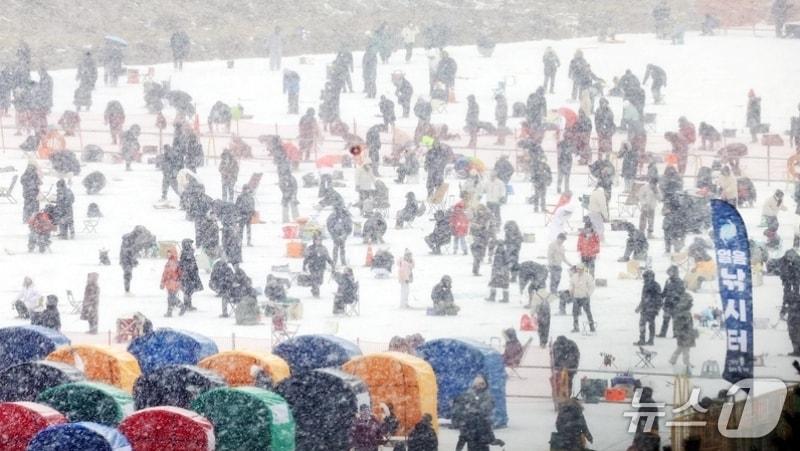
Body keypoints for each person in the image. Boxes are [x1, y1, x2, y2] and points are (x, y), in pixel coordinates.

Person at [668, 292, 696, 373]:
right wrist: (683, 330)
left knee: (680, 348)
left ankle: (672, 360)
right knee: (685, 349)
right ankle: (686, 362)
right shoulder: (683, 312)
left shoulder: (683, 311)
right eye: (690, 302)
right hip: (684, 333)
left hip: (685, 333)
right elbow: (680, 323)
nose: (691, 304)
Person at [780, 249, 800, 355]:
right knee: (794, 325)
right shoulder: (790, 267)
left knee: (793, 325)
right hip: (794, 301)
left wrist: (785, 307)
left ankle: (797, 349)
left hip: (796, 301)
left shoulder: (791, 269)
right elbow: (787, 290)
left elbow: (789, 290)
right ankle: (797, 349)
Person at [634, 270, 662, 346]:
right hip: (645, 309)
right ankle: (642, 340)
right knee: (642, 324)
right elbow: (643, 298)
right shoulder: (646, 285)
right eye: (644, 277)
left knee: (650, 324)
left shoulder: (656, 286)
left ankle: (650, 340)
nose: (645, 278)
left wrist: (657, 308)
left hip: (651, 309)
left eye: (646, 276)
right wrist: (639, 307)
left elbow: (659, 298)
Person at [303, 233, 334, 298]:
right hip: (312, 266)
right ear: (314, 240)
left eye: (320, 240)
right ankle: (316, 292)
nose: (318, 241)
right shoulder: (310, 248)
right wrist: (304, 265)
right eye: (317, 240)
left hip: (321, 266)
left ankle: (314, 288)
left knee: (320, 281)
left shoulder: (323, 248)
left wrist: (331, 264)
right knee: (315, 279)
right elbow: (306, 257)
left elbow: (327, 257)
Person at [658, 265, 684, 337]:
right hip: (667, 304)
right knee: (665, 319)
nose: (669, 273)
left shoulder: (679, 281)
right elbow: (665, 291)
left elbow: (681, 293)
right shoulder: (668, 280)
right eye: (669, 271)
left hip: (676, 304)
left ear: (675, 272)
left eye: (671, 271)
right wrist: (659, 296)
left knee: (675, 320)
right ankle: (663, 333)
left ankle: (676, 334)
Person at [178, 239, 202, 315]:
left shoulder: (187, 252)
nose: (191, 245)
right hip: (189, 275)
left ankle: (188, 304)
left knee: (188, 291)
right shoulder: (187, 253)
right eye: (190, 244)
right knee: (187, 291)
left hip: (190, 275)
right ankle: (187, 304)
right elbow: (188, 265)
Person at [569, 263, 595, 333]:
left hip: (584, 297)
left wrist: (588, 294)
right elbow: (571, 284)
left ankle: (592, 326)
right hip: (576, 297)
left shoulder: (588, 276)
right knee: (575, 313)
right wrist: (571, 290)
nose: (579, 270)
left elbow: (592, 286)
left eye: (580, 269)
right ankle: (576, 327)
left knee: (588, 312)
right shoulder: (574, 276)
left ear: (583, 269)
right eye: (577, 269)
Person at [470, 205, 494, 276]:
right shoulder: (476, 218)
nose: (480, 212)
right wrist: (478, 227)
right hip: (477, 239)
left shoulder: (488, 219)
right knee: (477, 256)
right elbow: (472, 227)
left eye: (482, 210)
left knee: (480, 256)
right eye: (479, 210)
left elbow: (491, 228)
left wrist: (491, 235)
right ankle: (475, 270)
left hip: (484, 239)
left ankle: (476, 269)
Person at [160, 248, 182, 317]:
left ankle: (181, 307)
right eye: (168, 253)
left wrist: (179, 281)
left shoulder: (176, 263)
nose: (168, 254)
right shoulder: (168, 262)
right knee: (170, 298)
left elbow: (180, 273)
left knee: (171, 298)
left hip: (174, 283)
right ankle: (170, 312)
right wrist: (162, 282)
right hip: (169, 283)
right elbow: (164, 274)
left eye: (170, 253)